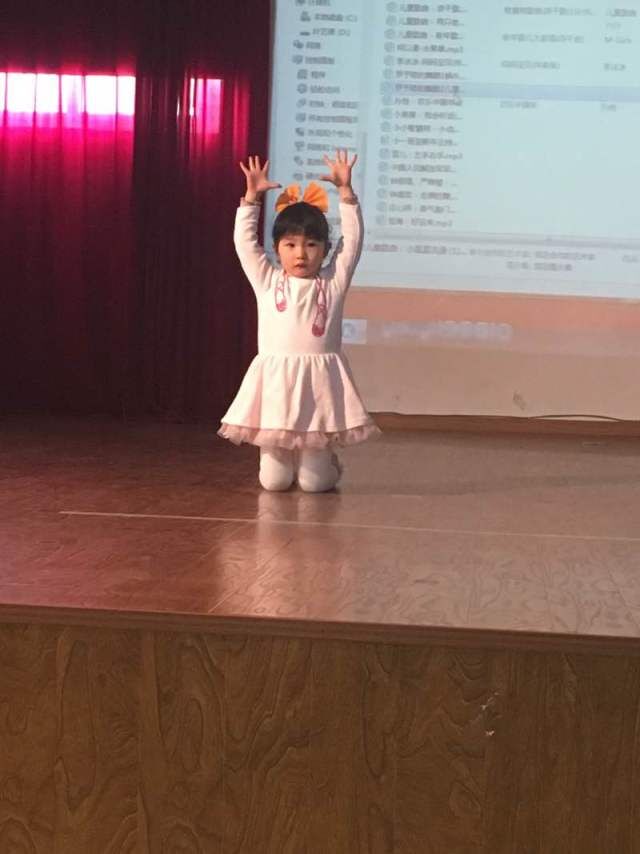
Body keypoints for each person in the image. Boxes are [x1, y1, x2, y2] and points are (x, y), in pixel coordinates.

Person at [218, 150, 379, 492]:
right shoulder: (267, 280)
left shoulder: (332, 282)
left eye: (311, 245)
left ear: (325, 249)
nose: (301, 254)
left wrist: (346, 193)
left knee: (314, 484)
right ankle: (281, 459)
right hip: (276, 388)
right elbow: (244, 245)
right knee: (274, 482)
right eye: (290, 245)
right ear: (277, 248)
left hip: (318, 389)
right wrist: (251, 199)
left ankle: (326, 463)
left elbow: (353, 244)